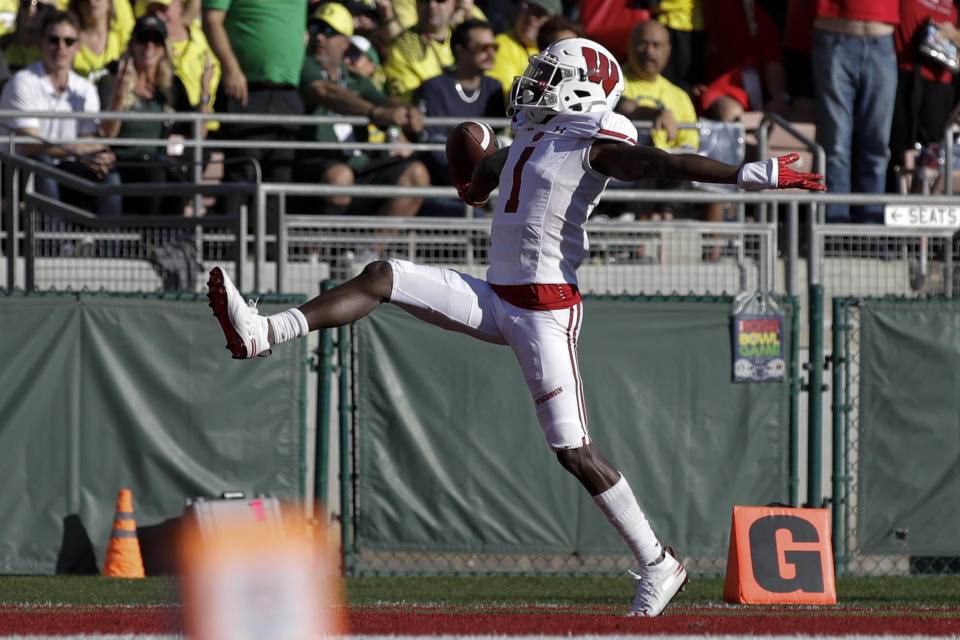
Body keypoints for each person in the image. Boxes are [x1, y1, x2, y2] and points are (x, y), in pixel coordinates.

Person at [206, 37, 824, 617]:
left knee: (573, 451)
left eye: (550, 77)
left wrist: (751, 174)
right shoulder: (530, 138)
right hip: (494, 296)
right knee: (382, 275)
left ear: (582, 90)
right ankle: (263, 332)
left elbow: (662, 163)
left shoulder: (593, 142)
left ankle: (658, 563)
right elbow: (478, 186)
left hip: (545, 312)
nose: (533, 85)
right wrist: (469, 156)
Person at [295, 2, 428, 217]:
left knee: (417, 174)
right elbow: (326, 93)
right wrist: (373, 113)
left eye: (330, 32)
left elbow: (383, 101)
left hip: (359, 166)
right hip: (315, 166)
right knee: (340, 176)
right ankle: (315, 251)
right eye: (315, 29)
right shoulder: (304, 67)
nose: (320, 37)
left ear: (345, 43)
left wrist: (407, 110)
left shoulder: (355, 79)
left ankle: (369, 251)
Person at [0, 10, 121, 217]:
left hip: (64, 167)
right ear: (41, 43)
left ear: (78, 47)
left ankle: (111, 247)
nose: (60, 47)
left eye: (68, 41)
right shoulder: (22, 82)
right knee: (43, 165)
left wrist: (96, 155)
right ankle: (55, 247)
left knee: (110, 176)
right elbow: (29, 145)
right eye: (53, 39)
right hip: (17, 171)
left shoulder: (85, 89)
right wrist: (78, 148)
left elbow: (89, 140)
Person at [201, 0, 307, 225]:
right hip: (246, 89)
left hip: (288, 92)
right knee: (242, 172)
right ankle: (226, 249)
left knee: (280, 178)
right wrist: (231, 68)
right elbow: (211, 19)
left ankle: (270, 253)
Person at [98, 14, 210, 215]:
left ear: (163, 49)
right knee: (156, 174)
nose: (149, 46)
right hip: (123, 163)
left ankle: (168, 243)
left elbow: (198, 134)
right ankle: (148, 241)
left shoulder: (172, 85)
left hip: (158, 162)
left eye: (156, 41)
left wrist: (204, 94)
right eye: (143, 40)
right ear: (132, 45)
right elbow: (107, 134)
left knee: (178, 181)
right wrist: (120, 94)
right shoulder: (112, 80)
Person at [812, 0, 899, 224]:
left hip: (882, 40)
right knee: (836, 145)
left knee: (877, 145)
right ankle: (835, 228)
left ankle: (870, 231)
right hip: (835, 37)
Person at [615, 19, 699, 222]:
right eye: (643, 43)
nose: (649, 51)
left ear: (668, 51)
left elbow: (689, 146)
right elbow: (622, 107)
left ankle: (662, 220)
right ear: (630, 45)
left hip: (666, 175)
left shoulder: (679, 96)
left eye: (657, 45)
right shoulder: (613, 83)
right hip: (624, 168)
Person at [414, 17, 503, 197]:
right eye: (483, 48)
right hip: (444, 183)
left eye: (494, 47)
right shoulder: (435, 87)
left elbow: (499, 137)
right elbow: (434, 143)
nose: (491, 53)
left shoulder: (494, 87)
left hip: (487, 182)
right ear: (459, 51)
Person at [887, 0, 959, 194]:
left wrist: (956, 35)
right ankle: (894, 201)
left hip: (939, 82)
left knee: (934, 152)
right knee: (899, 147)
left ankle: (930, 204)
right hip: (902, 73)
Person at [382, 0, 455, 102]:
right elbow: (406, 100)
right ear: (416, 4)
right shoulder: (402, 46)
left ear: (453, 3)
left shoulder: (467, 40)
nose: (432, 5)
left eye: (440, 0)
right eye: (425, 1)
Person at [488, 0, 559, 103]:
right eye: (527, 8)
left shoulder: (554, 49)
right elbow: (509, 97)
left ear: (553, 21)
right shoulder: (502, 44)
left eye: (539, 13)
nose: (531, 17)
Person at [68, 0, 134, 82]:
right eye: (85, 0)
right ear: (78, 6)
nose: (91, 2)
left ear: (109, 3)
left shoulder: (121, 39)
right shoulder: (67, 41)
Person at [1, 0, 57, 73]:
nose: (31, 9)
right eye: (26, 3)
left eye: (40, 6)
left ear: (50, 12)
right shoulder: (2, 45)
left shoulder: (57, 49)